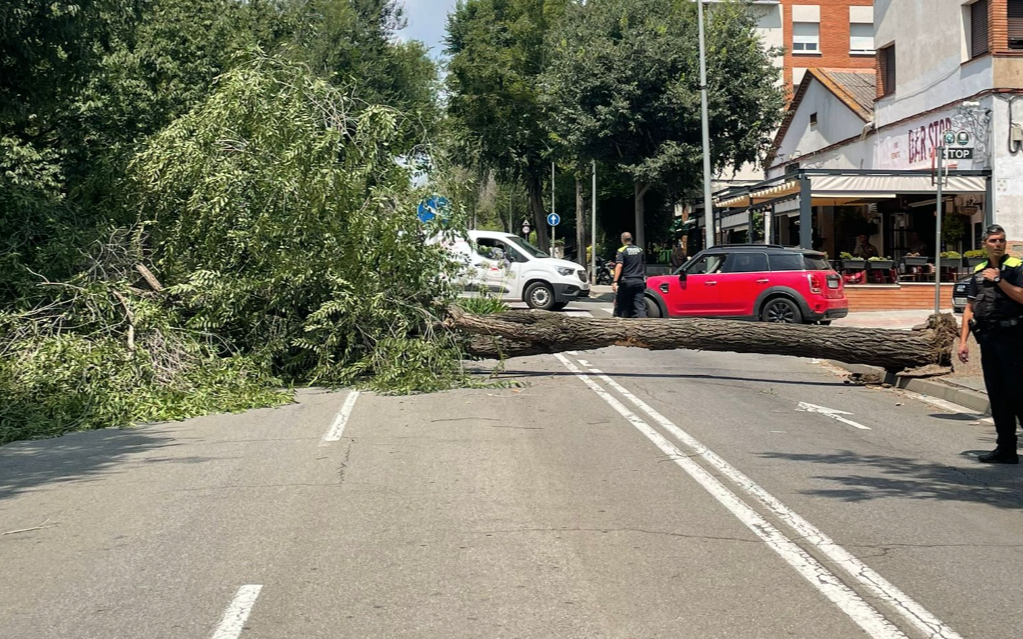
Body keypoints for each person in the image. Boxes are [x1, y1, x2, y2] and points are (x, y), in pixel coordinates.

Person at [958, 224, 1023, 464]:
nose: (998, 244)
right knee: (997, 396)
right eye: (993, 240)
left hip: (1013, 338)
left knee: (1017, 394)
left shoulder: (1016, 268)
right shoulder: (978, 270)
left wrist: (999, 281)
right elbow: (969, 307)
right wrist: (963, 341)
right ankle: (1005, 449)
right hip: (988, 339)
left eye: (1001, 240)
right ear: (984, 244)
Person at [612, 232, 647, 318]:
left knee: (620, 306)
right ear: (631, 239)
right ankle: (643, 325)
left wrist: (615, 281)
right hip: (639, 281)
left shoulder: (621, 250)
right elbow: (642, 264)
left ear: (622, 240)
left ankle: (617, 325)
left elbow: (619, 266)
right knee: (639, 307)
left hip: (627, 282)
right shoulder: (640, 250)